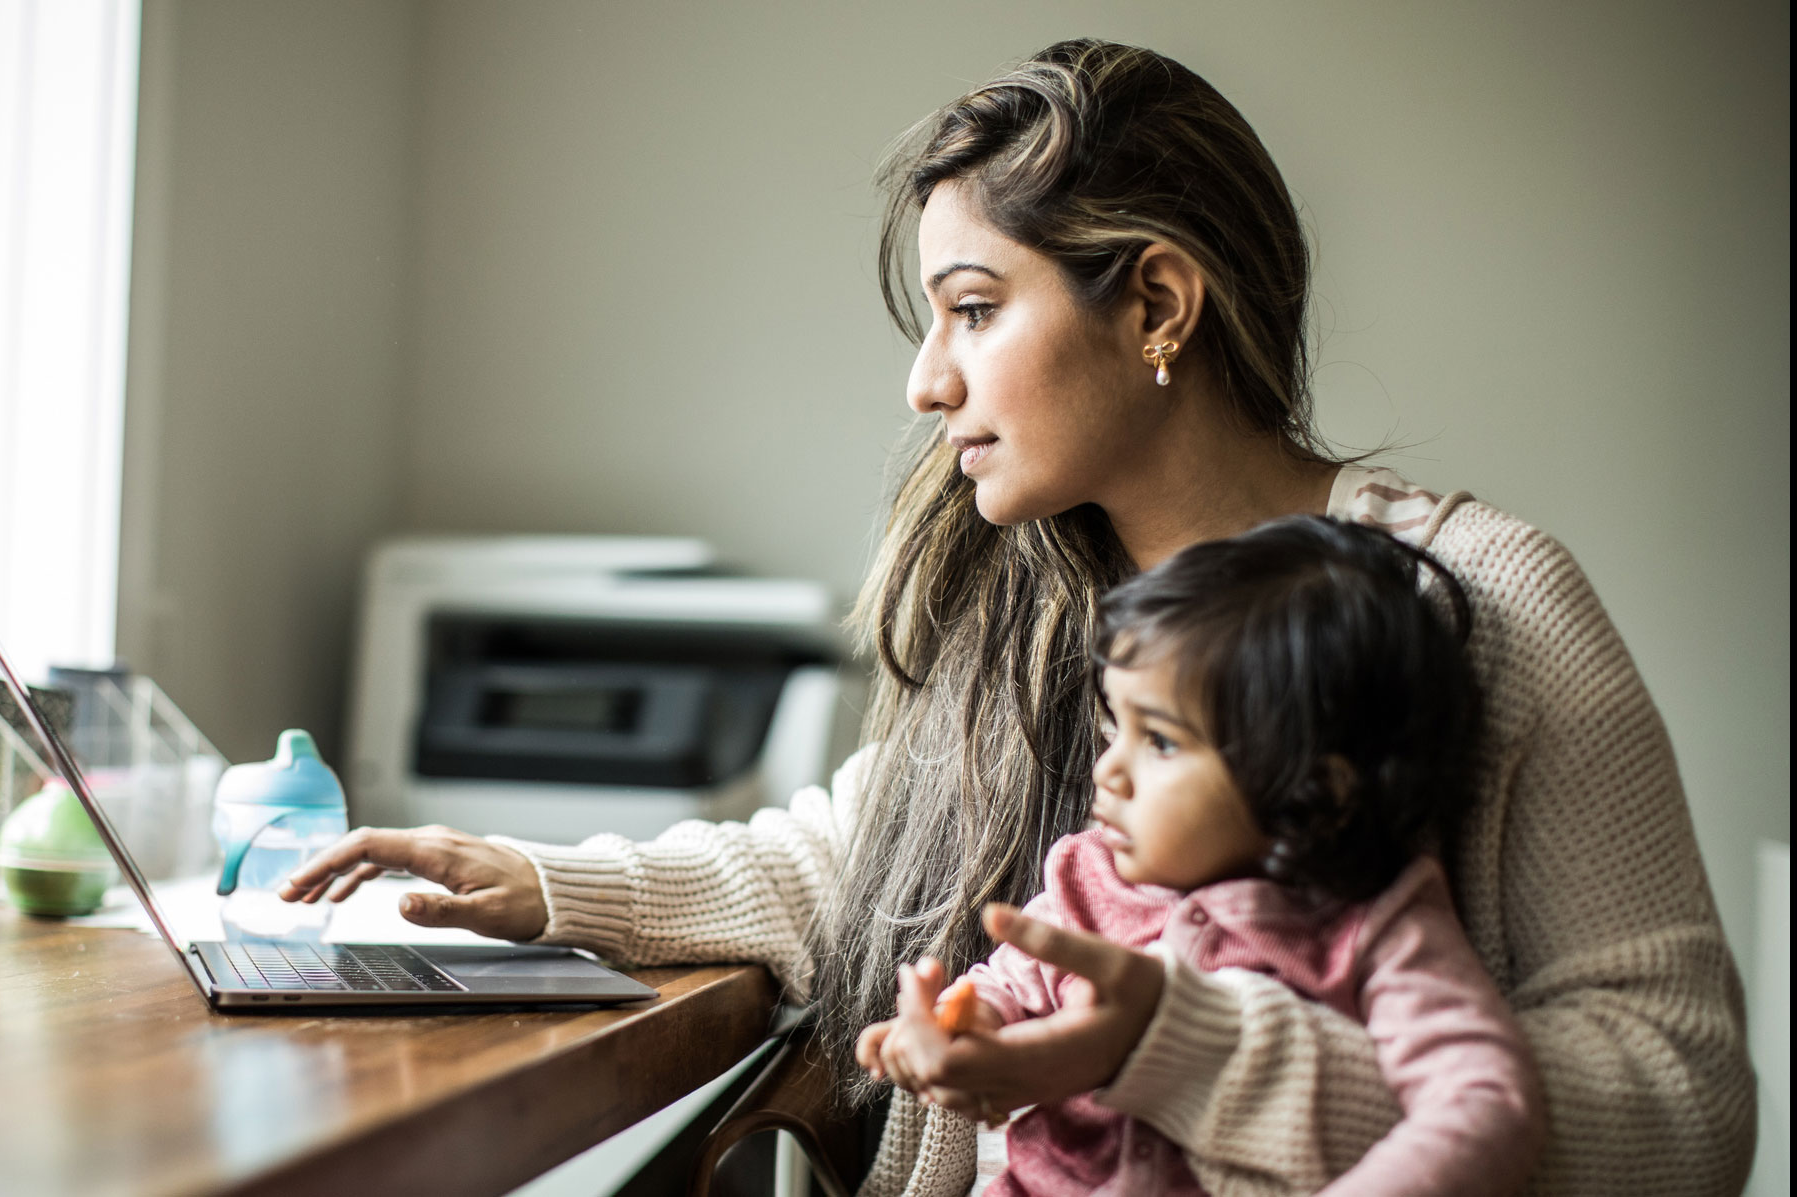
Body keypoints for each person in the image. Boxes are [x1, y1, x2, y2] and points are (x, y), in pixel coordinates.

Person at [281, 39, 1753, 1196]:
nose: (927, 384)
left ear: (1160, 303)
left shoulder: (1484, 602)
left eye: (974, 309)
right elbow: (861, 858)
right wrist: (541, 889)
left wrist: (1184, 1058)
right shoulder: (1027, 599)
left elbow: (1682, 1101)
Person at [857, 515, 1546, 1195]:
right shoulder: (1088, 878)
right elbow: (1007, 986)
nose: (1109, 770)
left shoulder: (1379, 923)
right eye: (1113, 725)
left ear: (1316, 788)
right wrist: (957, 1026)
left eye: (1159, 740)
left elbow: (1484, 1103)